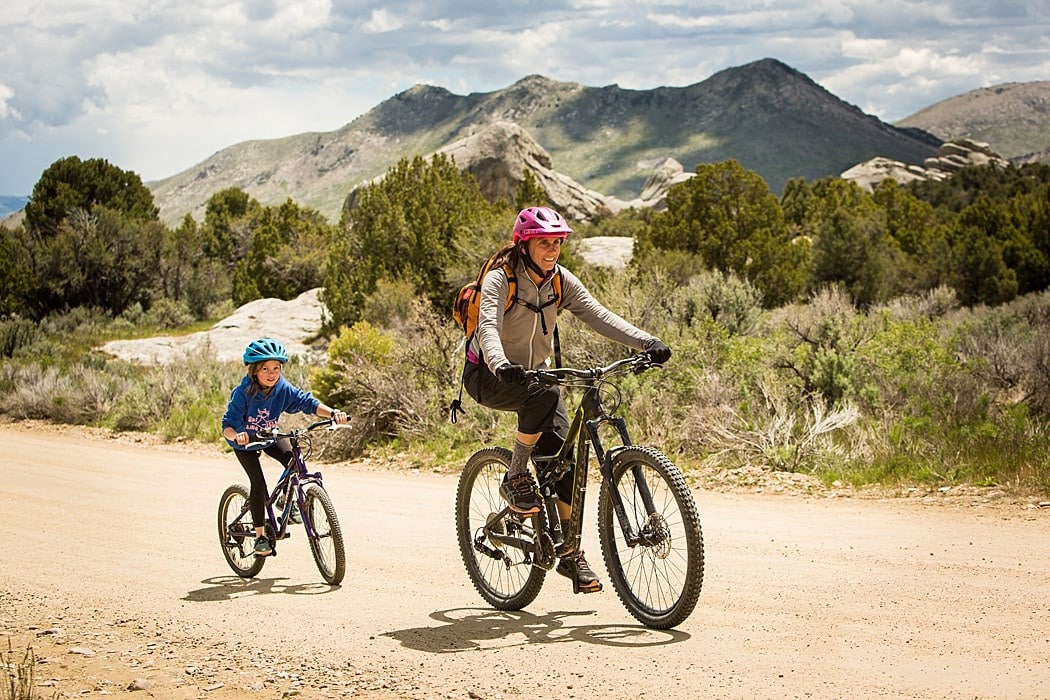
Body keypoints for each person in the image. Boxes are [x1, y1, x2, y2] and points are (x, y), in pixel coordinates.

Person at [462, 206, 672, 593]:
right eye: (544, 242)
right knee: (544, 395)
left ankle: (569, 551)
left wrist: (647, 341)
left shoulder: (559, 280)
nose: (553, 249)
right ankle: (516, 474)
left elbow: (599, 314)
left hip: (536, 377)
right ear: (523, 245)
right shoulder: (500, 278)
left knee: (565, 463)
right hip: (488, 374)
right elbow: (488, 326)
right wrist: (500, 363)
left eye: (557, 242)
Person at [221, 337, 348, 556]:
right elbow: (227, 426)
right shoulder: (243, 393)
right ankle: (260, 537)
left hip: (269, 436)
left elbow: (306, 401)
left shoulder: (281, 387)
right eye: (265, 369)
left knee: (294, 461)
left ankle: (284, 500)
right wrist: (237, 436)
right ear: (254, 371)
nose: (272, 374)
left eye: (276, 368)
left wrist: (333, 413)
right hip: (245, 443)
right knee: (258, 484)